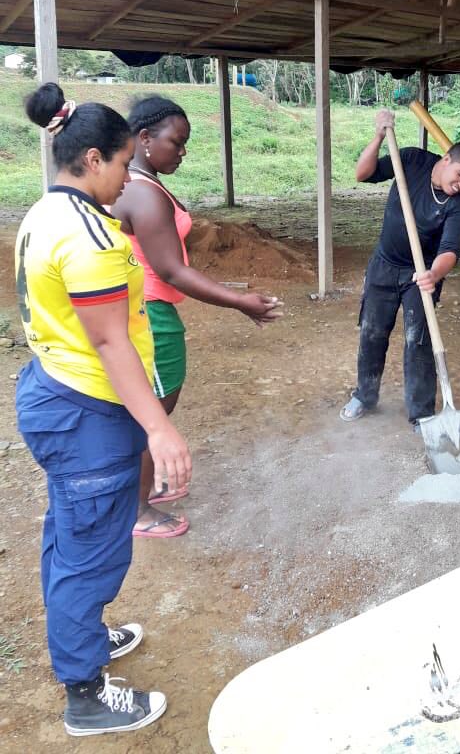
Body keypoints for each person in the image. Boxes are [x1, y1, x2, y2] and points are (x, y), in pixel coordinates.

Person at [15, 83, 192, 735]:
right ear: (93, 159)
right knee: (90, 552)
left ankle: (82, 636)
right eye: (121, 164)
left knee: (71, 534)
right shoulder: (89, 236)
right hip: (87, 408)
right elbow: (112, 341)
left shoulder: (45, 212)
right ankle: (86, 694)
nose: (126, 179)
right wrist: (159, 427)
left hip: (54, 388)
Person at [112, 96, 281, 537]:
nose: (183, 151)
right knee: (153, 409)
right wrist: (239, 301)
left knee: (154, 405)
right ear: (144, 138)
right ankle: (136, 509)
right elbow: (172, 270)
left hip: (151, 308)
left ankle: (144, 488)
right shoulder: (142, 193)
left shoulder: (143, 183)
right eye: (177, 142)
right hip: (150, 315)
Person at [340, 109, 460, 429]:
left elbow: (450, 250)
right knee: (372, 333)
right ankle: (364, 396)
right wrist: (379, 136)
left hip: (421, 277)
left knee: (418, 341)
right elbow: (363, 174)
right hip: (384, 265)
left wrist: (433, 274)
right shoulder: (410, 160)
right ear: (447, 159)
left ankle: (421, 413)